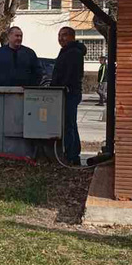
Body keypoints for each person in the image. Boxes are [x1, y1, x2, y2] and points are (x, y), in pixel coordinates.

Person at [50, 26, 85, 165]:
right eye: (59, 35)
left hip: (69, 93)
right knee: (69, 124)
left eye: (64, 35)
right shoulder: (66, 51)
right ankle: (71, 153)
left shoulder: (73, 52)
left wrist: (60, 88)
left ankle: (72, 155)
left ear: (72, 36)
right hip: (65, 92)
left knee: (69, 125)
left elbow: (69, 75)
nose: (61, 38)